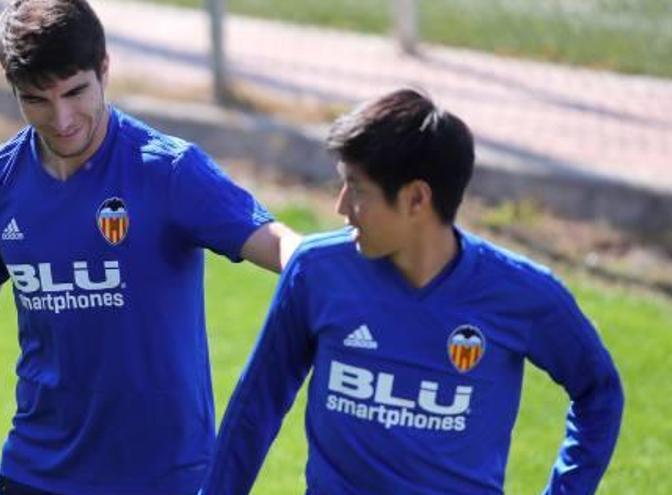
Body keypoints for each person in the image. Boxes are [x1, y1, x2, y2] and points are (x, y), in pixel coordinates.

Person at [0, 1, 300, 494]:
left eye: (75, 92)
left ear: (104, 69)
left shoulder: (166, 171)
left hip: (161, 481)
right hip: (35, 470)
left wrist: (352, 265)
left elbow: (278, 246)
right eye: (37, 99)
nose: (61, 118)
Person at [199, 89, 624, 494]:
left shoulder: (523, 294)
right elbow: (256, 407)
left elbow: (599, 392)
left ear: (417, 199)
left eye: (358, 189)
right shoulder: (317, 271)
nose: (341, 206)